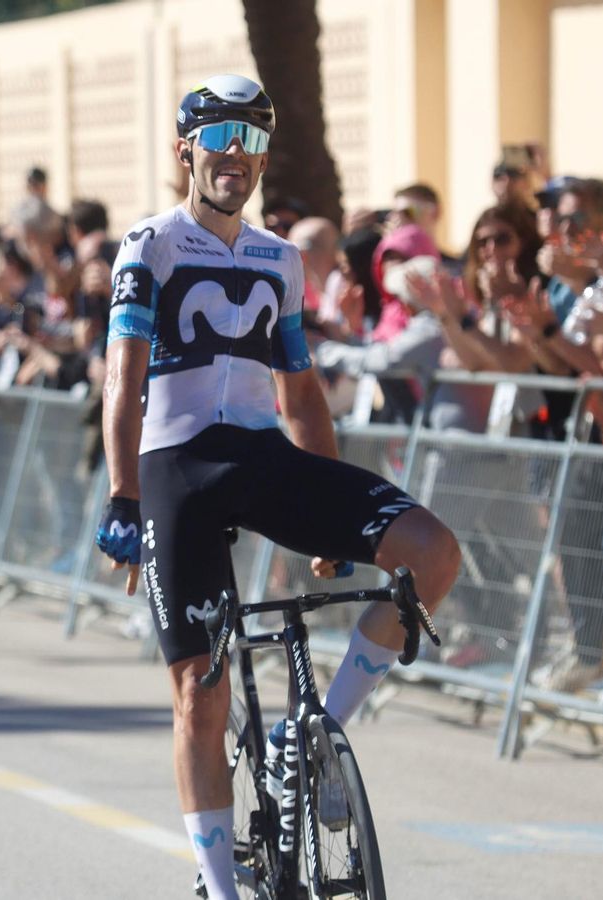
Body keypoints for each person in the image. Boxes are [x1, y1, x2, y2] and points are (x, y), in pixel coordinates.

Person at [92, 74, 461, 900]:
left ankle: (314, 735)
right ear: (185, 150)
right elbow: (123, 377)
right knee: (201, 693)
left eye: (253, 139)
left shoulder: (280, 258)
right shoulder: (149, 244)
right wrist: (122, 496)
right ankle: (221, 886)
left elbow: (300, 395)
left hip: (264, 459)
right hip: (177, 468)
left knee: (433, 553)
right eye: (220, 137)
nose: (236, 153)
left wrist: (329, 522)